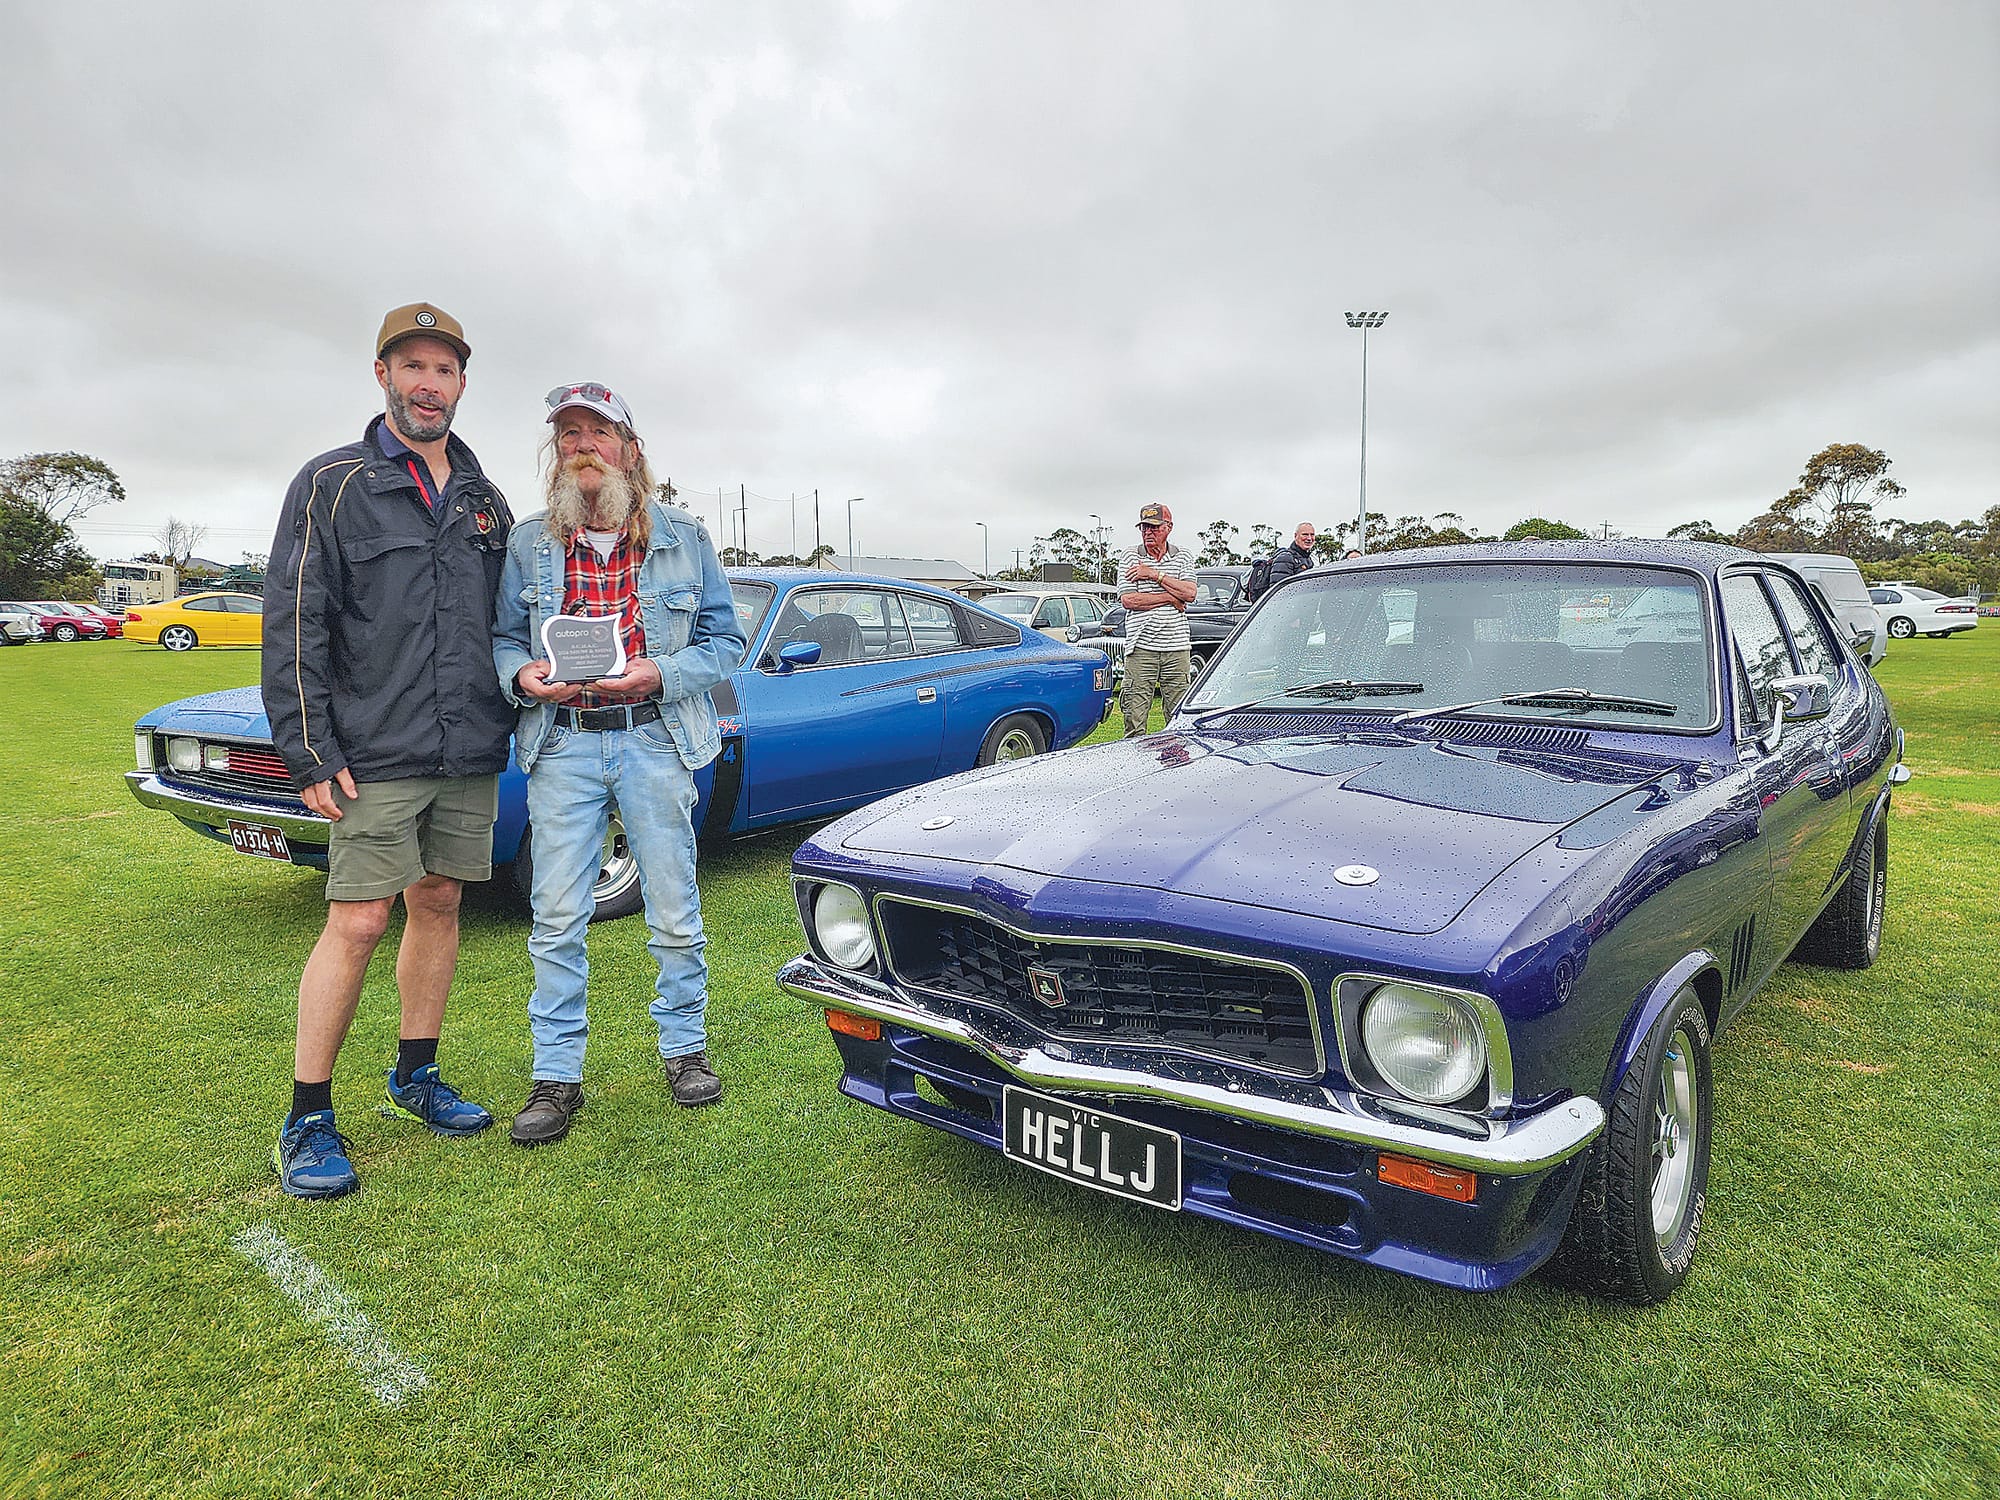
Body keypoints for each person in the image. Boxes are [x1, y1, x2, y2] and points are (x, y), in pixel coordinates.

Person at [262, 302, 515, 1199]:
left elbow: (514, 624)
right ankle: (308, 1115)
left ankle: (415, 1075)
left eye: (443, 370)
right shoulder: (332, 481)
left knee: (439, 902)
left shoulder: (488, 502)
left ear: (459, 383)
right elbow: (296, 619)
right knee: (360, 920)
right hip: (374, 751)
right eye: (411, 366)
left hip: (470, 745)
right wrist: (307, 747)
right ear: (382, 375)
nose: (427, 384)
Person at [494, 382, 747, 1145]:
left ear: (632, 451)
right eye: (568, 433)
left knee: (674, 909)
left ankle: (684, 1052)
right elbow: (504, 638)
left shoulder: (686, 537)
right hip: (562, 743)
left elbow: (725, 642)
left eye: (598, 432)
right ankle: (556, 1077)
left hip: (654, 738)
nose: (582, 445)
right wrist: (521, 676)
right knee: (557, 919)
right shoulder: (530, 541)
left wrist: (661, 675)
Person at [1116, 502, 1197, 736]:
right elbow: (1130, 601)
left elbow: (1190, 594)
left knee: (1178, 718)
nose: (1147, 533)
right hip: (1141, 647)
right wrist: (1171, 598)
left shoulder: (1183, 556)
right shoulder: (1130, 556)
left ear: (1168, 527)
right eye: (1143, 528)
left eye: (1153, 527)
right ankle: (1136, 766)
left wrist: (1154, 575)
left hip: (1177, 647)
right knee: (1135, 716)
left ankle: (1177, 765)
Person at [1247, 522, 1317, 601]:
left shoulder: (1307, 560)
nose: (1309, 538)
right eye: (1305, 534)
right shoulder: (1285, 558)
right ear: (1295, 536)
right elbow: (1279, 592)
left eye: (1312, 535)